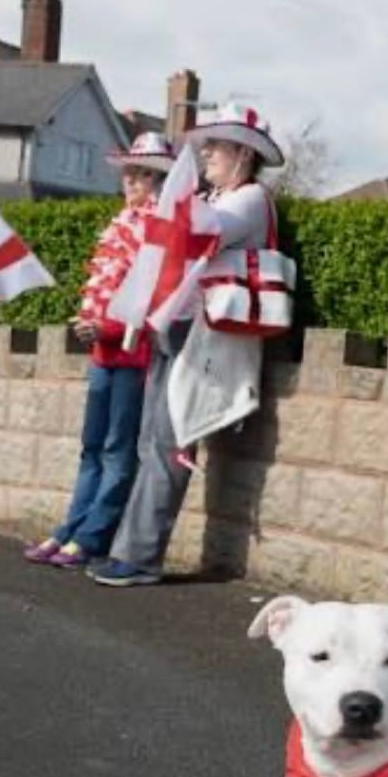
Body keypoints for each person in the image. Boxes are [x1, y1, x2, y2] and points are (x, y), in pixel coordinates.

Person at [87, 104, 285, 587]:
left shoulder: (250, 199)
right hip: (179, 329)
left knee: (168, 444)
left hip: (206, 338)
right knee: (150, 441)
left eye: (216, 146)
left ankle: (139, 557)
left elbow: (198, 232)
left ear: (244, 153)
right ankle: (131, 550)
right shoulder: (218, 196)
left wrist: (164, 206)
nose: (206, 153)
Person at [23, 132, 175, 568]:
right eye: (129, 173)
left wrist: (105, 327)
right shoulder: (122, 222)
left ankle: (92, 537)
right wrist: (92, 324)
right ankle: (70, 529)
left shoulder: (158, 230)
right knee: (92, 447)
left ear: (159, 182)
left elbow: (150, 300)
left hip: (132, 355)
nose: (131, 181)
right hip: (104, 353)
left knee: (115, 450)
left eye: (142, 174)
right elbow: (106, 285)